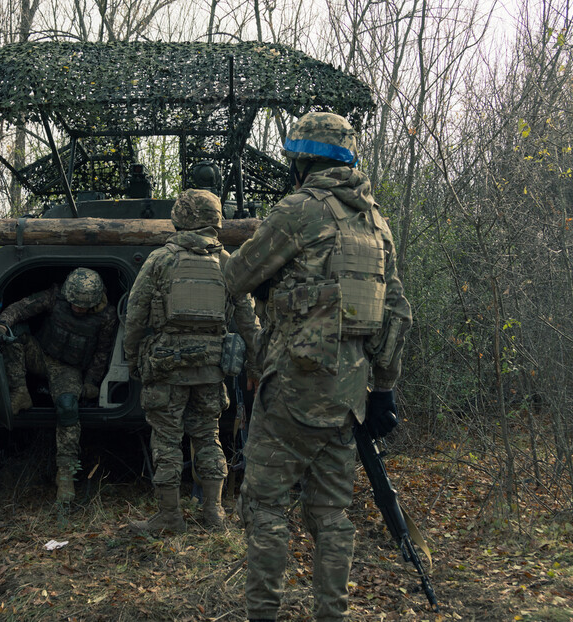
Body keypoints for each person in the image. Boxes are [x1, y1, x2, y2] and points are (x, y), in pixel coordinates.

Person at [223, 112, 413, 621]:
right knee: (332, 516)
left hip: (291, 388)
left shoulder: (300, 210)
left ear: (302, 161)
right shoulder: (375, 222)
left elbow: (235, 277)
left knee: (264, 506)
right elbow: (397, 311)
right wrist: (384, 390)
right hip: (349, 394)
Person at [124, 189, 261, 533]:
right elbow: (248, 321)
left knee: (167, 441)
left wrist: (133, 360)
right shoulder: (229, 263)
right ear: (215, 220)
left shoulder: (160, 260)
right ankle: (214, 514)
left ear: (181, 218)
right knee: (208, 436)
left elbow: (135, 316)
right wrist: (257, 364)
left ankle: (170, 518)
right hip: (211, 369)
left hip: (167, 368)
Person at [0, 268, 118, 506]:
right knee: (14, 336)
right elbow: (20, 308)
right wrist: (2, 324)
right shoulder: (55, 297)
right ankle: (20, 393)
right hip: (41, 355)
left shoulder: (106, 316)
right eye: (73, 303)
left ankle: (66, 474)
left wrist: (92, 381)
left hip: (68, 369)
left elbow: (103, 351)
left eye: (83, 306)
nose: (77, 309)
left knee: (67, 408)